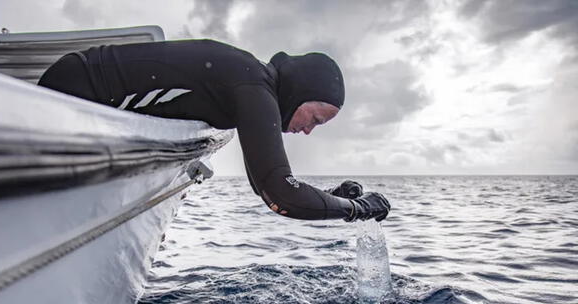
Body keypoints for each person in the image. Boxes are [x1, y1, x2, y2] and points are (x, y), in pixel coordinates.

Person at [38, 39, 390, 222]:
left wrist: (335, 197)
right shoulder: (253, 84)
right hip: (73, 93)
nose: (309, 131)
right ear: (301, 92)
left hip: (82, 96)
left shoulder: (253, 82)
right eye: (315, 119)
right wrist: (355, 209)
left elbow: (266, 186)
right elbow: (281, 195)